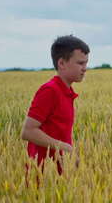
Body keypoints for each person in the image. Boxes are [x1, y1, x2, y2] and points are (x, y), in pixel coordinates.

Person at [21, 35, 89, 174]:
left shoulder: (67, 91)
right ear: (62, 63)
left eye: (86, 63)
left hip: (59, 172)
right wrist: (65, 147)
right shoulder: (50, 91)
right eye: (80, 63)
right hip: (42, 174)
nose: (85, 68)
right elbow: (28, 131)